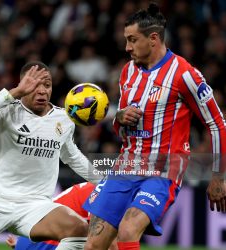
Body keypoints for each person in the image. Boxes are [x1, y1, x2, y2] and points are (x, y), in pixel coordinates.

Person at [83, 3, 226, 250]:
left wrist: (218, 176)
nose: (127, 47)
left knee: (128, 232)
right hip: (127, 165)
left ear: (153, 38)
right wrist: (120, 118)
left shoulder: (185, 75)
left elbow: (217, 124)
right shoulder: (127, 72)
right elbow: (122, 130)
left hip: (163, 170)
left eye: (132, 39)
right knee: (94, 244)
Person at [0, 61, 99, 250]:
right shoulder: (6, 111)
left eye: (47, 85)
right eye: (34, 85)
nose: (42, 91)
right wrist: (13, 93)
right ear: (22, 85)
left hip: (35, 205)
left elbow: (72, 157)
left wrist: (105, 181)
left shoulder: (63, 119)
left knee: (79, 229)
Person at [5, 182, 118, 250]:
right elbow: (108, 243)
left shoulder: (104, 187)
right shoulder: (109, 194)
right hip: (45, 243)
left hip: (36, 238)